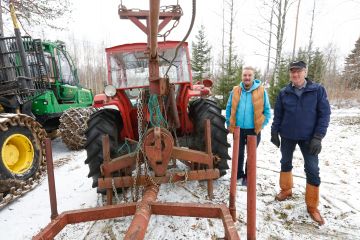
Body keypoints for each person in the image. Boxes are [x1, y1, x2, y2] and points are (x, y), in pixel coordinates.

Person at [271, 60, 331, 225]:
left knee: (312, 169)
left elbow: (324, 115)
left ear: (305, 72)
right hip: (288, 136)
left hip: (309, 138)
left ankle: (312, 206)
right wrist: (274, 131)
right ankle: (286, 189)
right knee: (285, 162)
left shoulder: (317, 90)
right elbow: (278, 115)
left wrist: (318, 137)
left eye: (298, 71)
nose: (295, 75)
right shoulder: (284, 92)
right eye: (292, 72)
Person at [226, 66, 271, 186]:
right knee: (238, 153)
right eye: (245, 75)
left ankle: (247, 176)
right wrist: (228, 122)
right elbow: (229, 107)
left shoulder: (261, 91)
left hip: (253, 130)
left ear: (253, 77)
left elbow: (267, 111)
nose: (247, 77)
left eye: (249, 75)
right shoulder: (236, 90)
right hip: (238, 129)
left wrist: (261, 125)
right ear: (242, 76)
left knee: (251, 155)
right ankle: (238, 175)